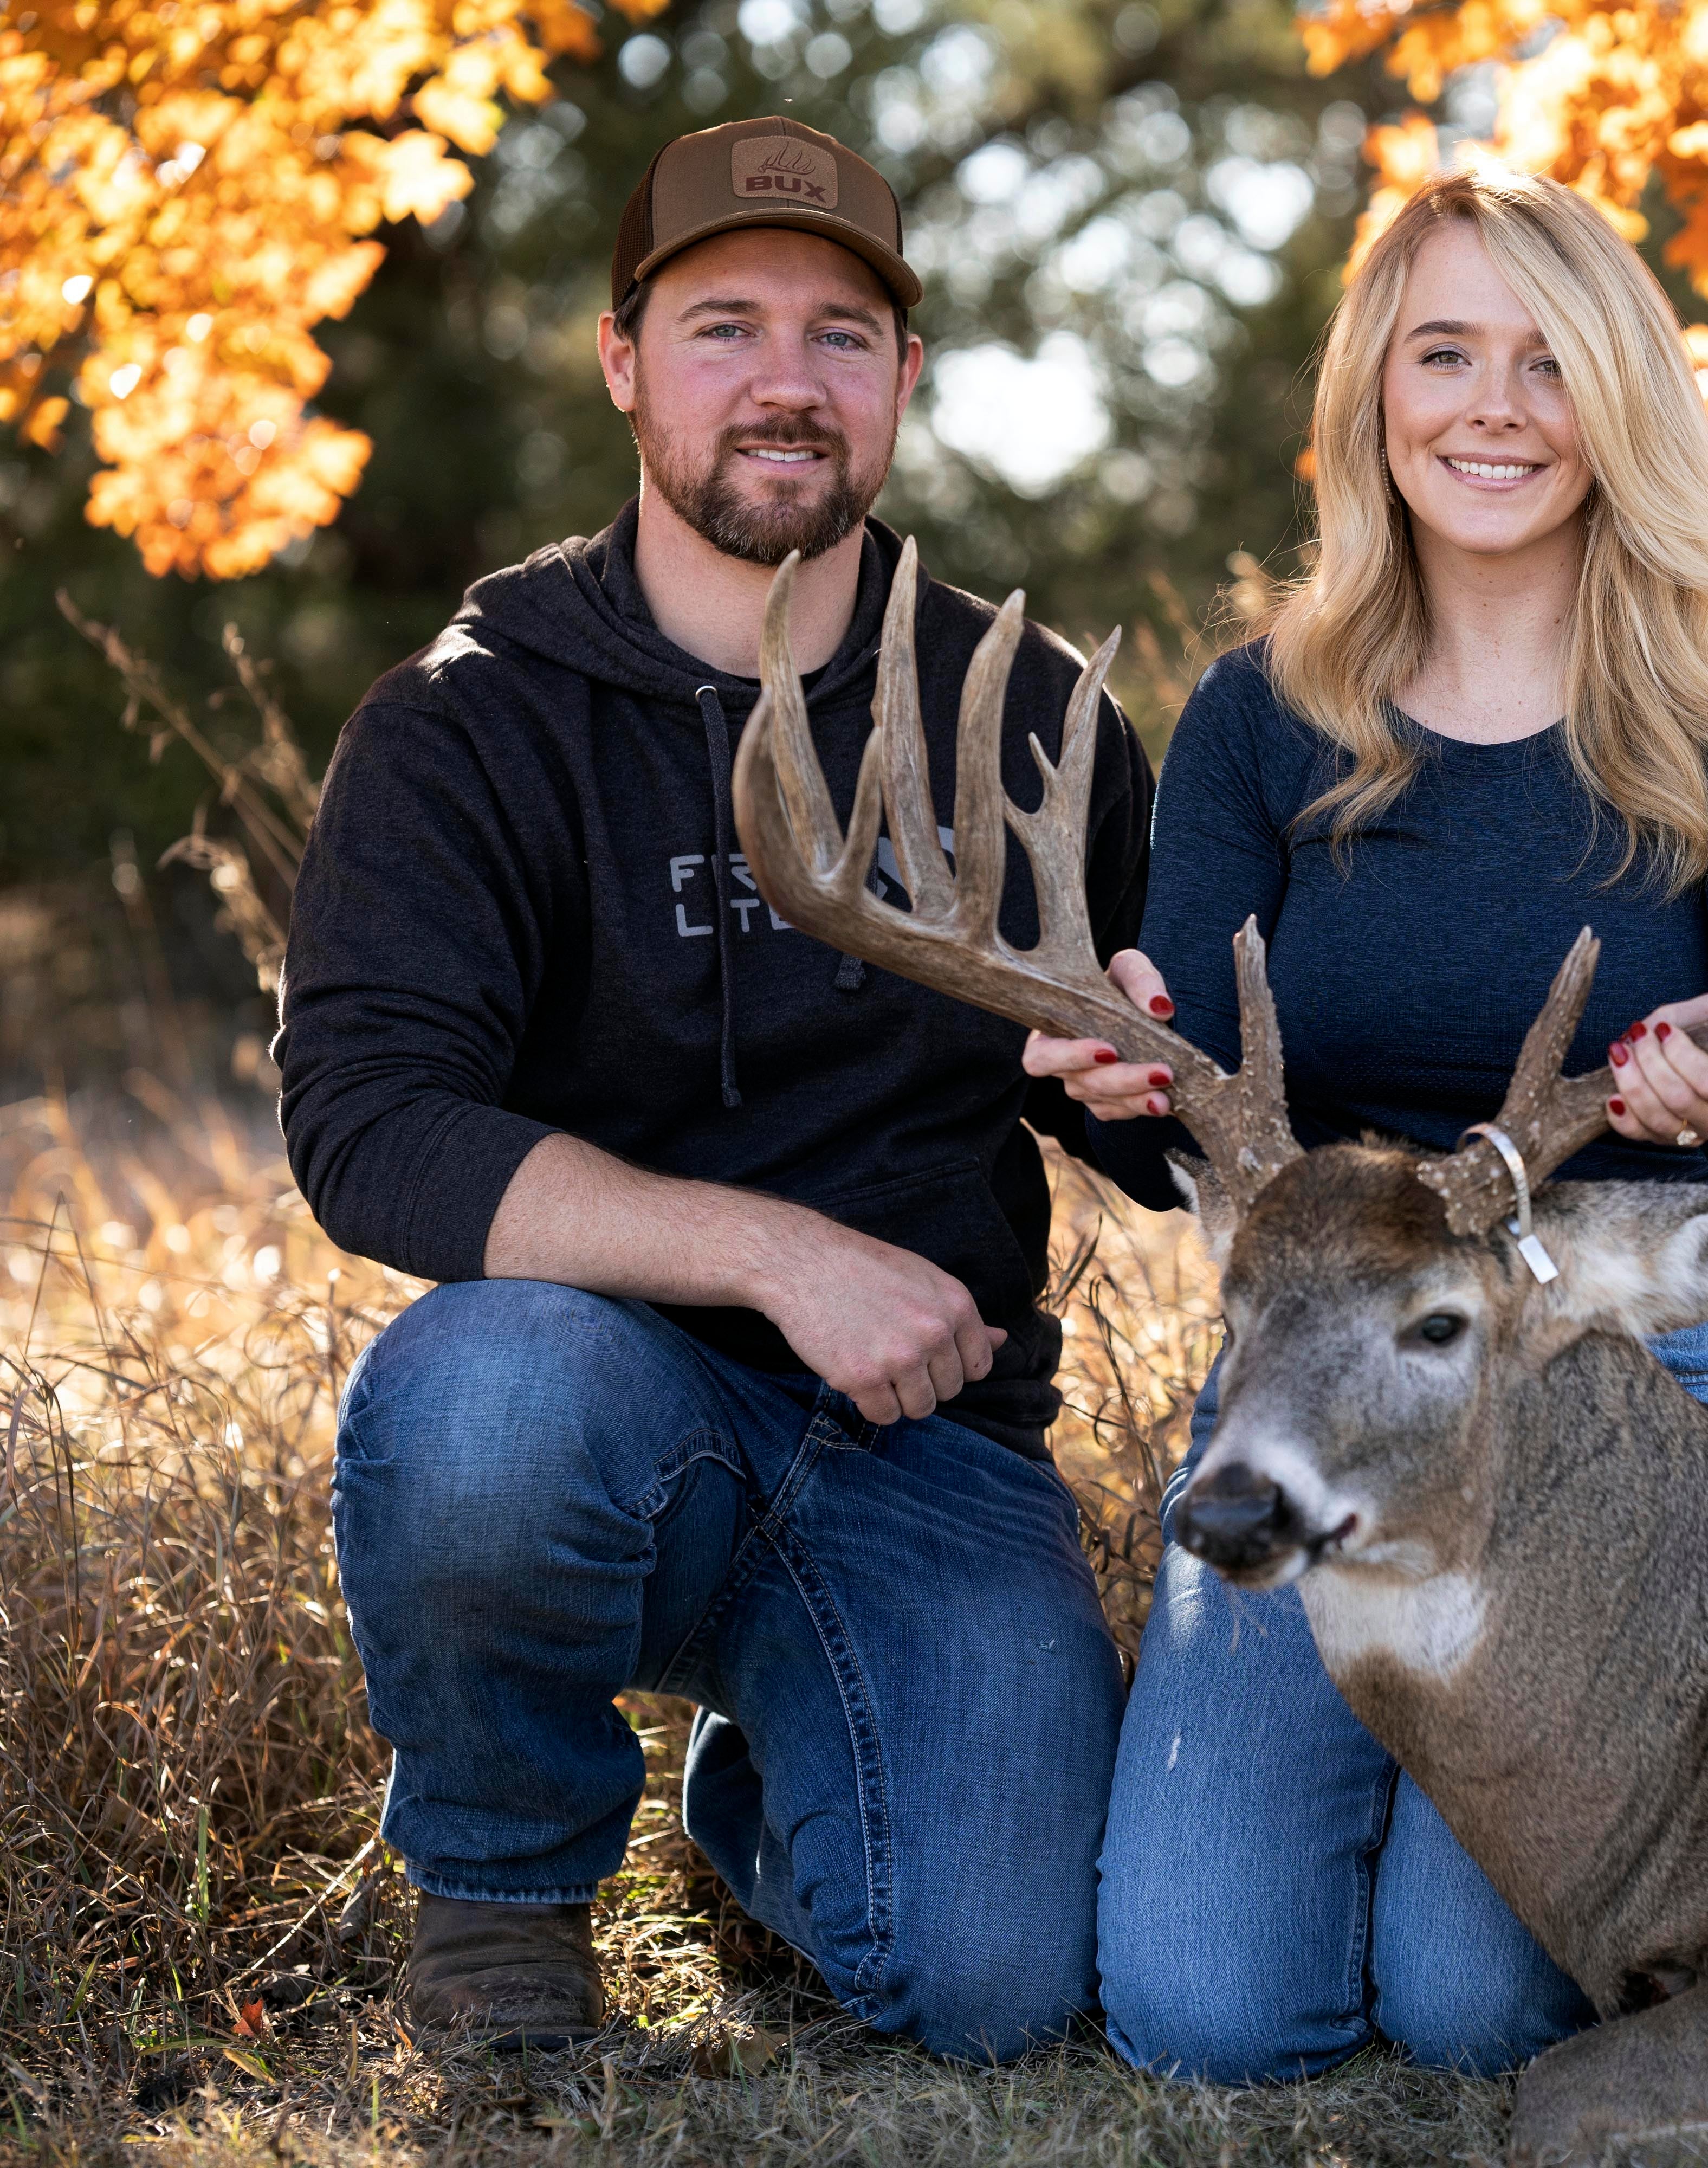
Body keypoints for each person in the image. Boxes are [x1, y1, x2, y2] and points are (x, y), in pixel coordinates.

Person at [281, 117, 1166, 2062]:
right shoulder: (467, 722)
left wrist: (1140, 1082)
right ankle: (505, 1918)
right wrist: (780, 1258)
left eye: (841, 335)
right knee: (481, 1394)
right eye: (723, 327)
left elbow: (1161, 1120)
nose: (788, 381)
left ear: (905, 377)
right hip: (598, 1411)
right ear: (622, 361)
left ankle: (762, 1799)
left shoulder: (1023, 710)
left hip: (928, 1446)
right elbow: (369, 1125)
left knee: (998, 1989)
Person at [1034, 164, 1708, 2083]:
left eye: (1550, 364)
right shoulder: (1263, 714)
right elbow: (1179, 1129)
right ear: (1374, 394)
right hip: (1314, 1375)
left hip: (1594, 1383)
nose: (1496, 409)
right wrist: (1116, 1084)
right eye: (1447, 356)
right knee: (1208, 2013)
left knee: (1481, 2010)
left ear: (1619, 398)